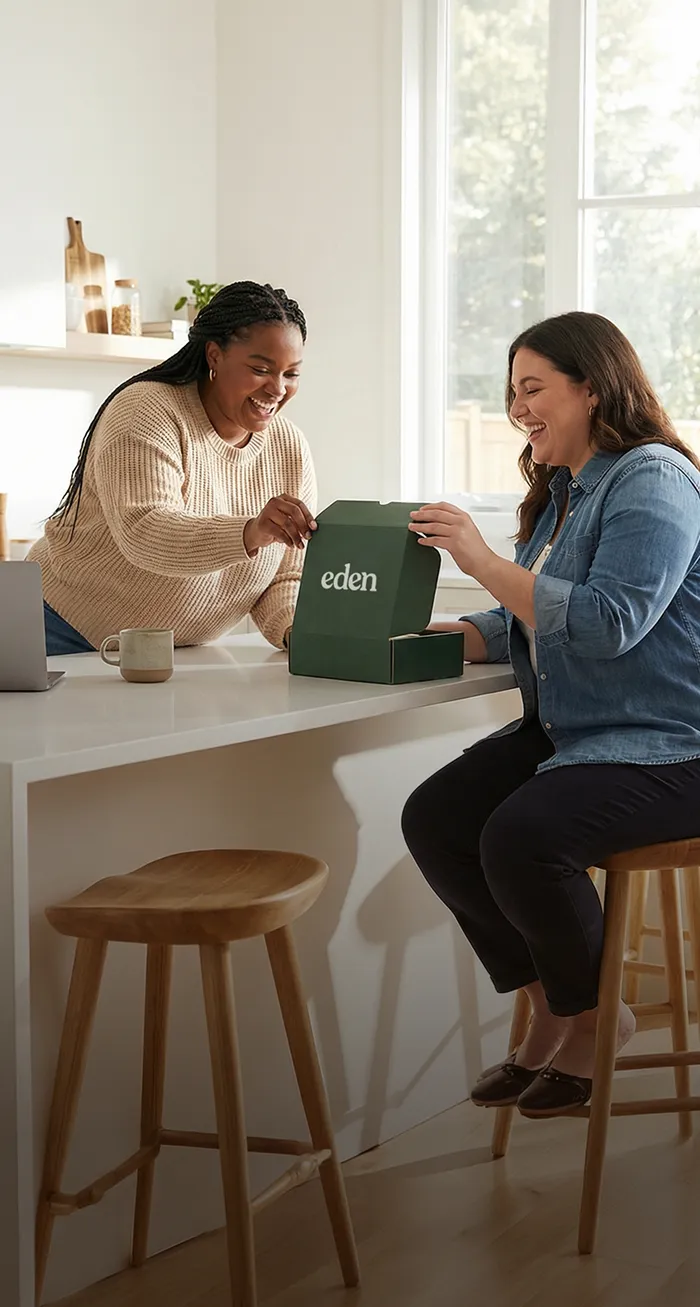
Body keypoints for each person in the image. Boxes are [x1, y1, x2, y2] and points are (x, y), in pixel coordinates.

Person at [402, 311, 700, 1116]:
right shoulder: (566, 492)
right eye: (511, 392)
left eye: (533, 388)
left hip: (670, 746)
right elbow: (528, 614)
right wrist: (453, 633)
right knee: (436, 819)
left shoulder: (653, 478)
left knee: (524, 838)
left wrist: (481, 560)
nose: (518, 407)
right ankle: (555, 1007)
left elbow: (607, 621)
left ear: (592, 387)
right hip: (579, 734)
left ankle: (597, 1020)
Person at [29, 281, 317, 655]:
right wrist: (250, 532)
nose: (277, 389)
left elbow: (285, 576)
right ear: (214, 355)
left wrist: (297, 633)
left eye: (291, 374)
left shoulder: (289, 448)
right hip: (59, 629)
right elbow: (145, 531)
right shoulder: (146, 412)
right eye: (260, 369)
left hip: (171, 653)